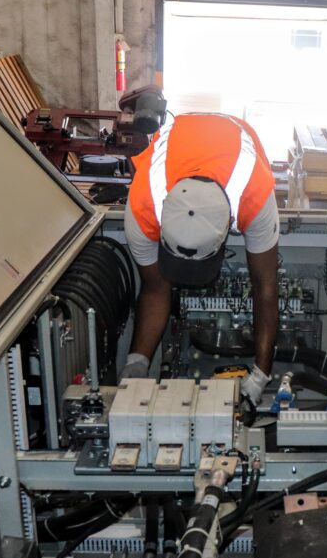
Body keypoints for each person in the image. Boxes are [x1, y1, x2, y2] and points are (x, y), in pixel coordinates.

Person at [119, 111, 280, 406]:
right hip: (182, 135)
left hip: (234, 135)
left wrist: (261, 374)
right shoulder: (143, 208)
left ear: (224, 235)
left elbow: (265, 287)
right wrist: (137, 363)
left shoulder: (254, 196)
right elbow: (155, 288)